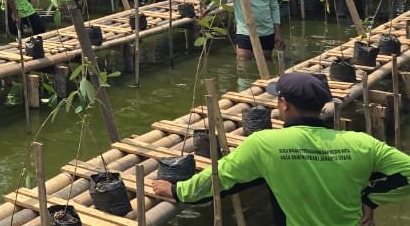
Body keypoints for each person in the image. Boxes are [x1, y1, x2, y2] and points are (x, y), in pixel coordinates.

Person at [153, 71, 410, 224]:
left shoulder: (266, 144)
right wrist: (370, 199)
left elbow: (219, 178)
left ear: (284, 104)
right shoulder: (361, 143)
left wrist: (178, 190)